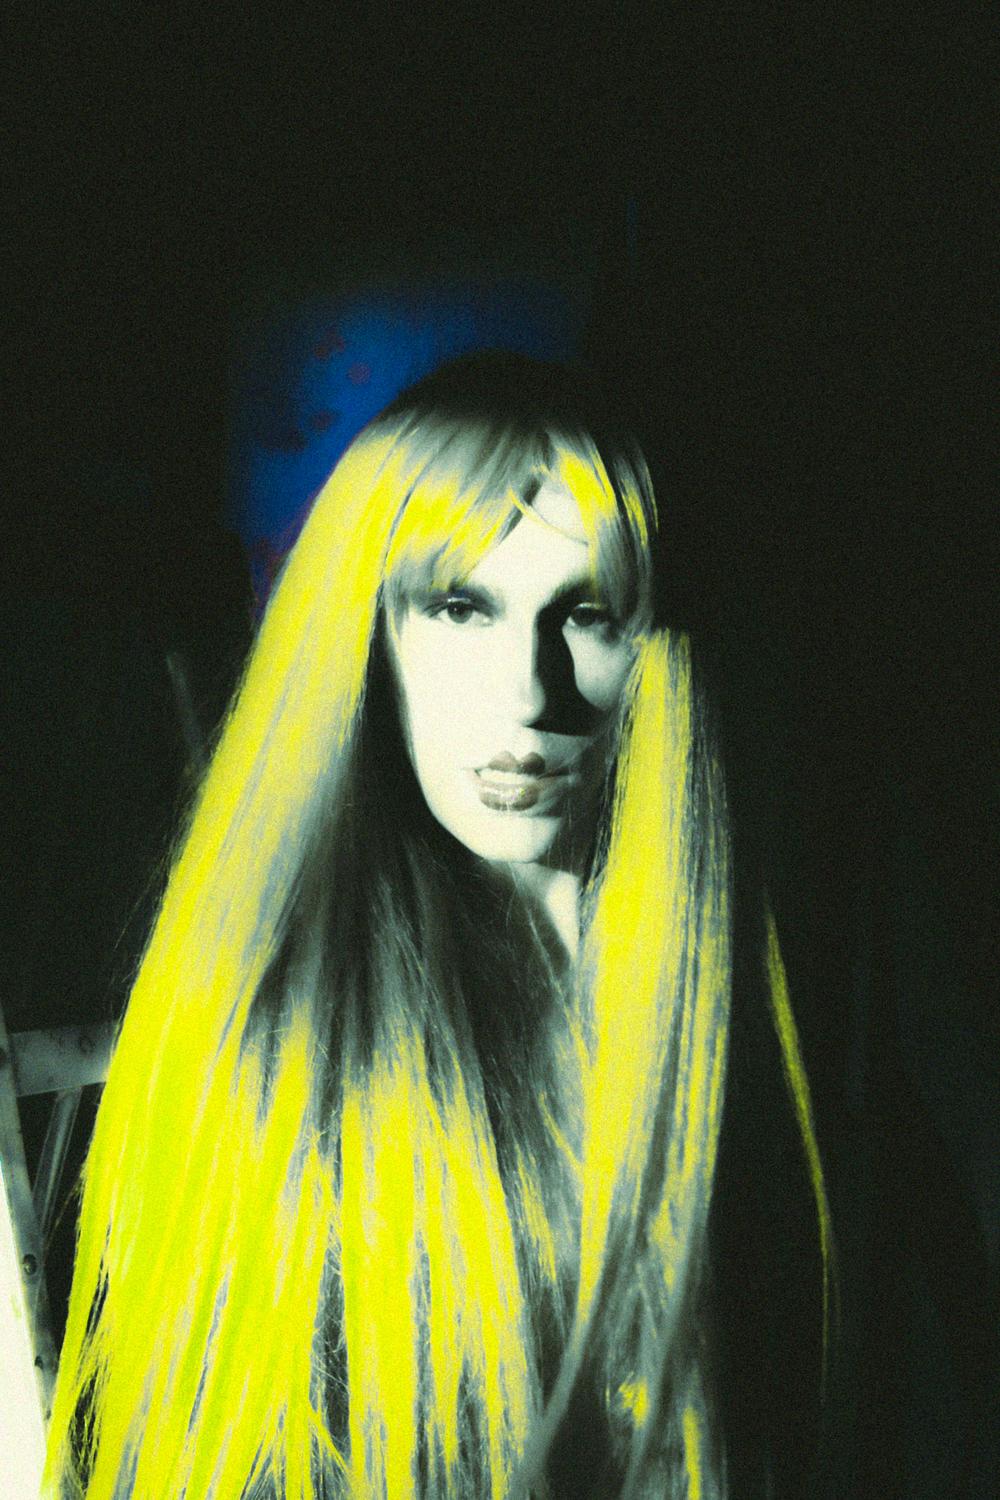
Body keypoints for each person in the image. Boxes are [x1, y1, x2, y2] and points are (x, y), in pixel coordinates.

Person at [45, 352, 832, 1499]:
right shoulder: (280, 1047)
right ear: (369, 630)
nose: (527, 694)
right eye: (461, 606)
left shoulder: (748, 1017)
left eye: (587, 614)